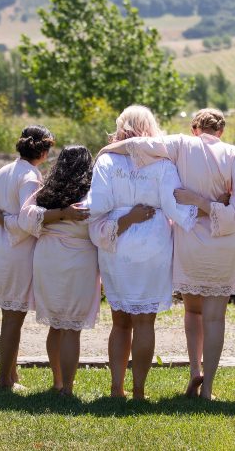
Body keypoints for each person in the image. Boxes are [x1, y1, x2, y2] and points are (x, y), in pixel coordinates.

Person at [99, 109, 235, 400]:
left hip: (190, 240)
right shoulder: (233, 154)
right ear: (221, 131)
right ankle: (207, 387)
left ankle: (194, 368)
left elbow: (138, 145)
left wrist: (107, 149)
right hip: (223, 244)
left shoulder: (182, 144)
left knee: (192, 312)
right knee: (214, 319)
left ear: (195, 127)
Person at [88, 105, 197, 400]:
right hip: (153, 243)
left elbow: (96, 204)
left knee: (120, 320)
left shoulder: (107, 160)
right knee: (145, 321)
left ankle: (116, 389)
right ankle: (138, 392)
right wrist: (206, 210)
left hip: (118, 240)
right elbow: (175, 203)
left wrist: (121, 217)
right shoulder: (162, 163)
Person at [0, 145, 96, 397]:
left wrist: (54, 217)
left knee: (57, 325)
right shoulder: (93, 194)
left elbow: (27, 217)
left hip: (47, 257)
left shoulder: (47, 192)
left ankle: (58, 381)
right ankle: (67, 389)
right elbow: (99, 228)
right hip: (78, 258)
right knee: (71, 326)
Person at [0, 125, 54, 390]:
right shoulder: (30, 177)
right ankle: (4, 380)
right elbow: (28, 220)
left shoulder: (4, 171)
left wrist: (1, 218)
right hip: (17, 252)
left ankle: (12, 374)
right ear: (44, 151)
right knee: (13, 317)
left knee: (10, 316)